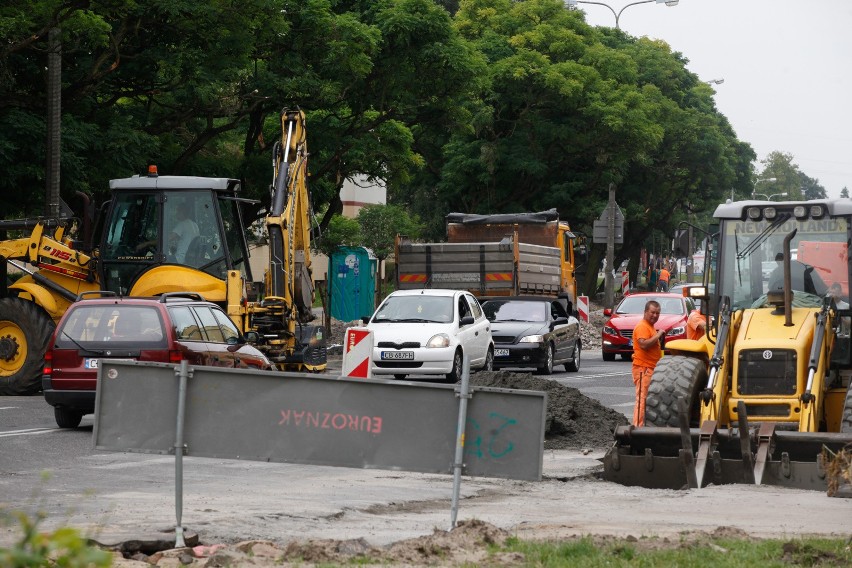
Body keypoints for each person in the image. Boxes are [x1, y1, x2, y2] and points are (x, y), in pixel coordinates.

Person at [632, 300, 665, 427]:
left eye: (657, 313)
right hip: (643, 368)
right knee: (642, 399)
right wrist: (658, 335)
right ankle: (638, 428)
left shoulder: (649, 326)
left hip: (650, 368)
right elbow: (643, 344)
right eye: (652, 312)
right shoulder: (642, 326)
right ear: (645, 312)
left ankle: (643, 426)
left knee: (647, 399)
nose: (655, 315)